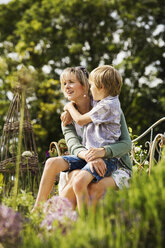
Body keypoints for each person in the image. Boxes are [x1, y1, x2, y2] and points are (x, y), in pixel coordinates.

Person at [32, 66, 132, 211]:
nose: (66, 87)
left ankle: (56, 217)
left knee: (79, 178)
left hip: (115, 163)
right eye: (64, 83)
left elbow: (126, 144)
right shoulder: (66, 118)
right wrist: (91, 156)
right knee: (53, 163)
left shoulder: (105, 107)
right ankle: (38, 210)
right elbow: (73, 146)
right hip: (87, 160)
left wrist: (101, 153)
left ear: (85, 86)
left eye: (71, 82)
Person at [62, 65, 123, 212]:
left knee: (79, 181)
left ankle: (80, 222)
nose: (90, 89)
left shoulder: (107, 106)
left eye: (91, 86)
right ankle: (51, 214)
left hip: (107, 159)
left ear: (101, 87)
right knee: (59, 167)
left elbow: (81, 120)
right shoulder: (105, 103)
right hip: (93, 156)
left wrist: (69, 107)